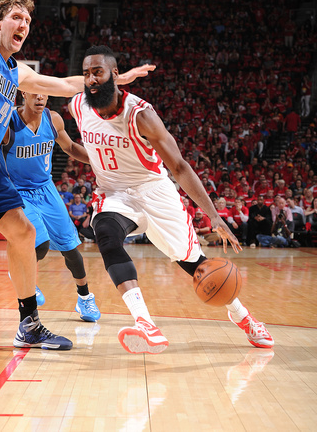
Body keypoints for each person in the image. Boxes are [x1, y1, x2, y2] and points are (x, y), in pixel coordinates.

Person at [0, 0, 154, 350]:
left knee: (23, 231)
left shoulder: (17, 72)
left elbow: (64, 85)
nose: (23, 25)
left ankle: (29, 324)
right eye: (16, 17)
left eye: (28, 21)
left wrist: (113, 78)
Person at [69, 45, 274, 354]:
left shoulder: (141, 114)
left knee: (193, 261)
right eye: (86, 74)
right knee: (106, 234)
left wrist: (213, 215)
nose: (90, 79)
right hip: (114, 194)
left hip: (154, 191)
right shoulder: (77, 106)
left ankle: (242, 317)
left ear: (114, 75)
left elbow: (179, 166)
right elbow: (39, 84)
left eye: (97, 72)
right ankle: (145, 324)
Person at [0, 91, 101, 322]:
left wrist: (99, 163)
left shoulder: (53, 119)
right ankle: (23, 278)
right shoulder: (8, 123)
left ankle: (84, 299)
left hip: (46, 188)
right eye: (35, 93)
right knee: (39, 244)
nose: (40, 98)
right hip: (18, 191)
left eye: (44, 93)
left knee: (72, 250)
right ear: (24, 93)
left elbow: (71, 148)